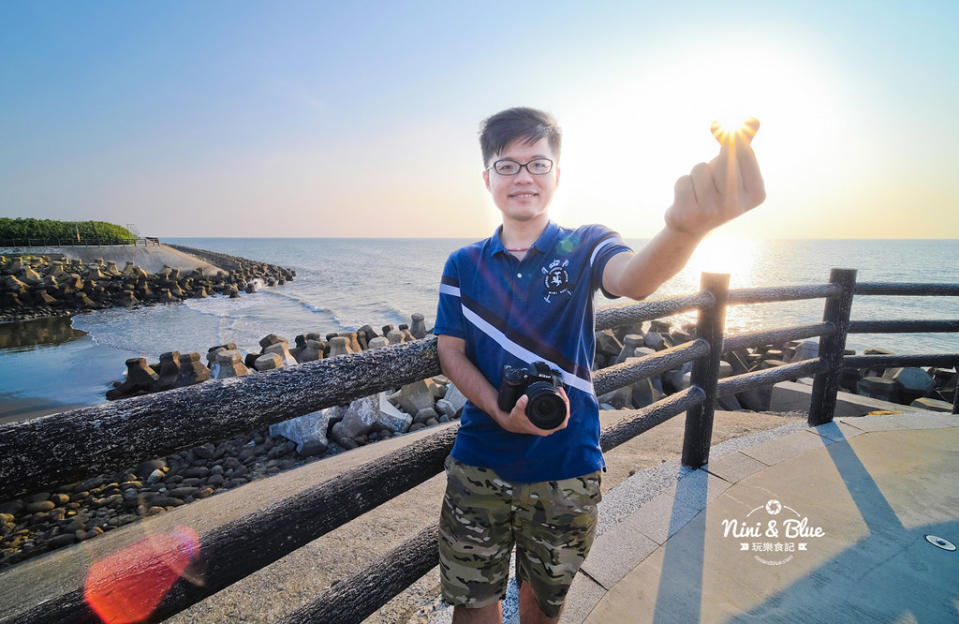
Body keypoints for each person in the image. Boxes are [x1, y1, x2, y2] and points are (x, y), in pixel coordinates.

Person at [433, 107, 764, 624]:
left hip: (567, 465)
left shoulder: (583, 245)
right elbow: (449, 351)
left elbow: (632, 278)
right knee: (473, 606)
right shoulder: (462, 264)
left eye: (538, 164)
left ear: (557, 176)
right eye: (508, 165)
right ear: (487, 178)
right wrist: (499, 412)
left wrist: (683, 231)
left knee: (544, 605)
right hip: (480, 462)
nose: (524, 177)